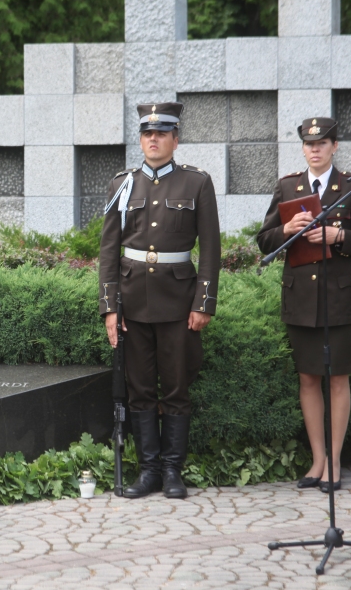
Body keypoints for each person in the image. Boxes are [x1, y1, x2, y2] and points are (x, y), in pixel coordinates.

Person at [98, 102, 221, 499]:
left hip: (179, 302)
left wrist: (203, 302)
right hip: (133, 303)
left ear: (175, 139)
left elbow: (211, 250)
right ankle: (148, 471)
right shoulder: (123, 182)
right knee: (139, 390)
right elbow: (109, 252)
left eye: (162, 133)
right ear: (140, 139)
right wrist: (110, 307)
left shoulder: (196, 183)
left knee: (176, 388)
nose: (154, 139)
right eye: (148, 133)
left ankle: (172, 472)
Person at [257, 117, 351, 492]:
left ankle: (336, 462)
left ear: (334, 147)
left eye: (322, 143)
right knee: (308, 378)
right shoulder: (287, 187)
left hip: (339, 297)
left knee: (337, 378)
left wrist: (339, 235)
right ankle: (317, 460)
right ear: (303, 149)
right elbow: (264, 240)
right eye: (309, 144)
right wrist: (287, 231)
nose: (315, 149)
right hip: (300, 297)